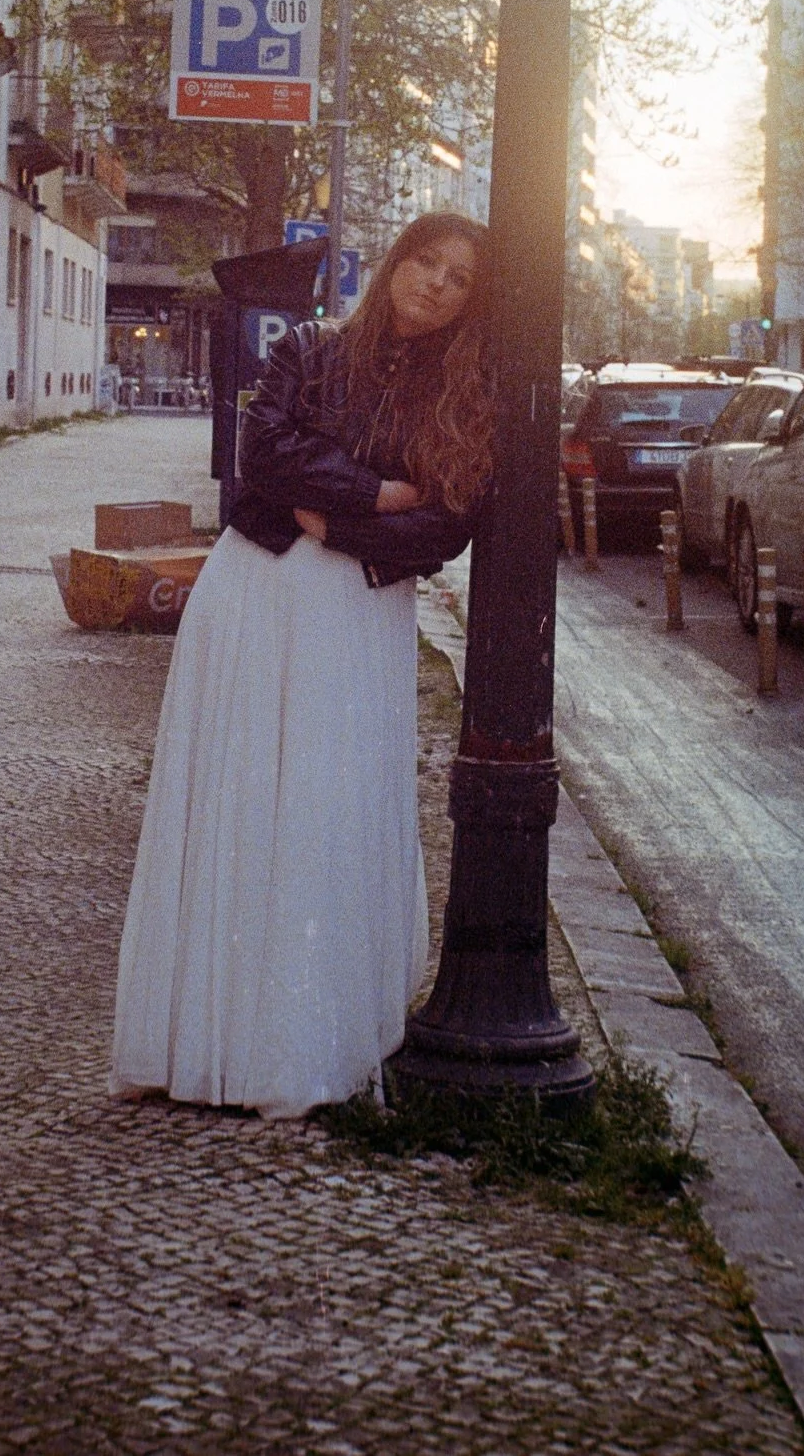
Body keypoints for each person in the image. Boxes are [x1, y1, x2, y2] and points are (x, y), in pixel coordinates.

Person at [110, 212, 493, 1119]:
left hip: (356, 610)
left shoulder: (466, 396)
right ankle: (202, 1039)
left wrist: (338, 519)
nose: (436, 283)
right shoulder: (311, 349)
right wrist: (371, 491)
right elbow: (261, 457)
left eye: (460, 277)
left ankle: (297, 1044)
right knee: (238, 802)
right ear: (395, 261)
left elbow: (443, 527)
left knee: (321, 810)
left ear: (475, 303)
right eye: (425, 261)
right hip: (254, 593)